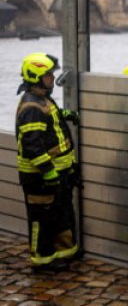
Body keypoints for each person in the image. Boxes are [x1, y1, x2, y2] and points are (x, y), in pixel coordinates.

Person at [15, 52, 81, 272]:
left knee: (61, 214)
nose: (52, 79)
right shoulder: (31, 106)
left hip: (56, 173)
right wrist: (48, 171)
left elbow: (48, 118)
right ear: (35, 77)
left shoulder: (42, 99)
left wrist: (64, 113)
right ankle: (42, 260)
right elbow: (33, 146)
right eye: (48, 76)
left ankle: (64, 252)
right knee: (42, 220)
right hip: (39, 176)